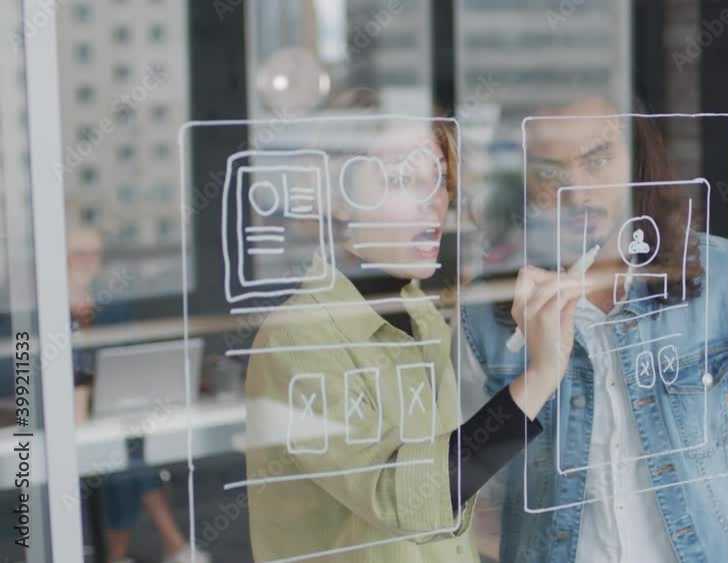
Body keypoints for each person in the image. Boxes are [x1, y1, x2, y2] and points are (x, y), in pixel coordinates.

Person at [459, 97, 728, 563]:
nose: (578, 192)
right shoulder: (485, 314)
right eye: (548, 171)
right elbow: (470, 488)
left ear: (638, 160)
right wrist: (536, 379)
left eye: (596, 159)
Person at [243, 120, 581, 563]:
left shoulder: (423, 316)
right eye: (401, 180)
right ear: (336, 199)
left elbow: (448, 499)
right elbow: (401, 499)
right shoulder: (298, 337)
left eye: (438, 179)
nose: (433, 201)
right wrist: (540, 377)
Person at [66, 229, 209, 563]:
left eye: (94, 253)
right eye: (78, 253)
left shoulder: (112, 304)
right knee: (128, 456)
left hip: (108, 410)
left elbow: (131, 357)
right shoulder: (41, 307)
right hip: (63, 416)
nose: (88, 261)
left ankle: (121, 556)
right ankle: (170, 545)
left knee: (126, 453)